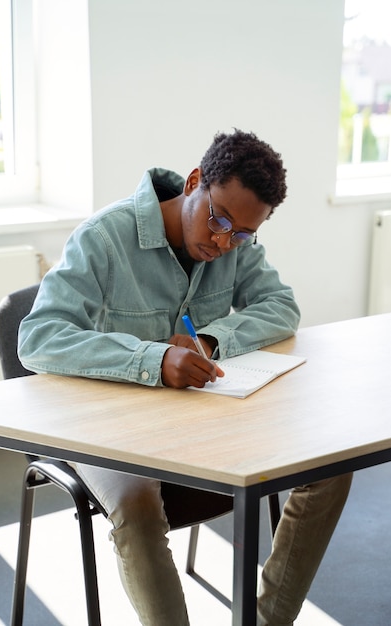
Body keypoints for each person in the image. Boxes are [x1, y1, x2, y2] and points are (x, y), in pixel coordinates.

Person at [18, 129, 352, 625]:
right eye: (218, 220)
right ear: (196, 181)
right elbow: (38, 336)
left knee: (329, 468)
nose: (223, 242)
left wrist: (213, 341)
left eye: (240, 234)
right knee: (136, 504)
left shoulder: (234, 241)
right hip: (110, 426)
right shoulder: (105, 236)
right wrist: (151, 359)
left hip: (199, 424)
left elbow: (282, 305)